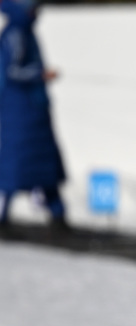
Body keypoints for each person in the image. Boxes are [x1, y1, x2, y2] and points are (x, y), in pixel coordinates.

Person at [0, 0, 68, 231]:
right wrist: (40, 74)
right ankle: (5, 213)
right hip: (20, 110)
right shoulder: (16, 33)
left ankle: (57, 212)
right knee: (15, 163)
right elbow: (13, 70)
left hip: (31, 109)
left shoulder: (24, 31)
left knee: (41, 163)